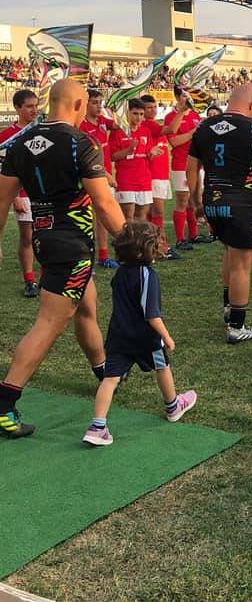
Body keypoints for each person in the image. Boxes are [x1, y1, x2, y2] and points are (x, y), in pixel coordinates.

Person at [0, 79, 125, 439]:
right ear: (78, 104)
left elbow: (2, 199)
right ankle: (4, 404)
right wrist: (131, 242)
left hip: (45, 238)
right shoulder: (80, 142)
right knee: (50, 322)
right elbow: (104, 203)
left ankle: (103, 369)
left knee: (86, 305)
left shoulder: (20, 142)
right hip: (73, 244)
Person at [82, 222, 197, 447]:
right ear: (148, 250)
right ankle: (173, 406)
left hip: (118, 336)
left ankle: (97, 426)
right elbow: (151, 314)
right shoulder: (148, 276)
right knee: (162, 367)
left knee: (110, 379)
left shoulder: (119, 274)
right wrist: (167, 337)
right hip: (146, 339)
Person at [186, 83, 252, 343]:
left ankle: (229, 307)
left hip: (212, 200)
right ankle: (237, 326)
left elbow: (191, 168)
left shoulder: (204, 127)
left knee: (230, 252)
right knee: (241, 264)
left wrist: (195, 201)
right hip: (241, 202)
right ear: (251, 105)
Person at [0, 88, 40, 295]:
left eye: (36, 106)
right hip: (22, 194)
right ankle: (29, 280)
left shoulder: (42, 131)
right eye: (29, 106)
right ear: (17, 108)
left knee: (47, 236)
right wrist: (14, 197)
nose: (34, 110)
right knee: (27, 237)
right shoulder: (7, 136)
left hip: (43, 192)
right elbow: (2, 170)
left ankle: (49, 277)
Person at [80, 89, 120, 268]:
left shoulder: (103, 121)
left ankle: (103, 256)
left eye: (100, 103)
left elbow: (119, 125)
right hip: (90, 177)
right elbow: (84, 158)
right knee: (85, 218)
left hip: (105, 176)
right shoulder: (81, 126)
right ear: (85, 104)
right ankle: (84, 257)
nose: (98, 106)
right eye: (94, 102)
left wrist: (119, 104)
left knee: (102, 216)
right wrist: (105, 173)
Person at [163, 87, 202, 251]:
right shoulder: (170, 117)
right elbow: (174, 142)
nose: (190, 98)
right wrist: (193, 132)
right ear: (178, 97)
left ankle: (193, 234)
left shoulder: (195, 115)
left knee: (193, 199)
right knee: (182, 200)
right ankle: (180, 239)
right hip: (181, 164)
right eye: (186, 95)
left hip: (196, 164)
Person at [140, 93, 178, 258]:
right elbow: (172, 130)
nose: (153, 110)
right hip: (154, 176)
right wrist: (181, 112)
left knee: (151, 213)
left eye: (154, 107)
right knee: (157, 213)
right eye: (149, 108)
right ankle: (161, 246)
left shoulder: (154, 124)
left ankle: (152, 246)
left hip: (161, 176)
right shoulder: (149, 125)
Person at [109, 99, 155, 222]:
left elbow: (148, 155)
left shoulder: (146, 131)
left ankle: (139, 236)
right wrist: (128, 150)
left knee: (141, 216)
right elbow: (112, 156)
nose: (139, 117)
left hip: (144, 181)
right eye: (135, 113)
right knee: (128, 217)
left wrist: (152, 153)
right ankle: (128, 236)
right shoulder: (118, 132)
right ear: (127, 113)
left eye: (141, 114)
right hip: (126, 181)